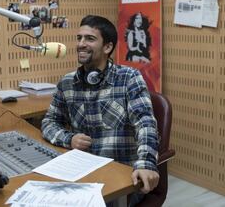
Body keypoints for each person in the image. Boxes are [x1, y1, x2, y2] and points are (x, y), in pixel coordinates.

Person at [41, 15, 159, 205]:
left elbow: (145, 123)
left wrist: (146, 164)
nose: (81, 44)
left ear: (107, 47)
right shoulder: (67, 83)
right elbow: (49, 122)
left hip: (120, 179)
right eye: (79, 38)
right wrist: (68, 139)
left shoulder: (129, 78)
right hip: (81, 173)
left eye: (89, 38)